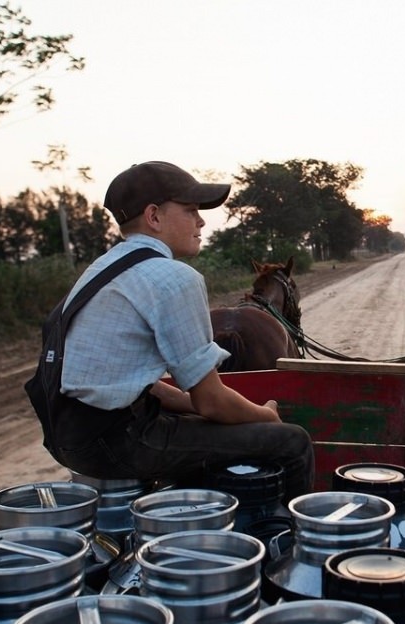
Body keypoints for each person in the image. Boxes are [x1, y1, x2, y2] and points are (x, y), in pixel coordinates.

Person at [37, 160, 314, 500]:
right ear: (154, 217)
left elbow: (136, 383)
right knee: (292, 441)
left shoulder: (101, 270)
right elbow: (212, 402)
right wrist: (266, 416)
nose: (200, 221)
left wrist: (187, 404)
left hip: (68, 441)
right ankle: (290, 540)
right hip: (120, 442)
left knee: (205, 430)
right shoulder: (173, 278)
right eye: (191, 210)